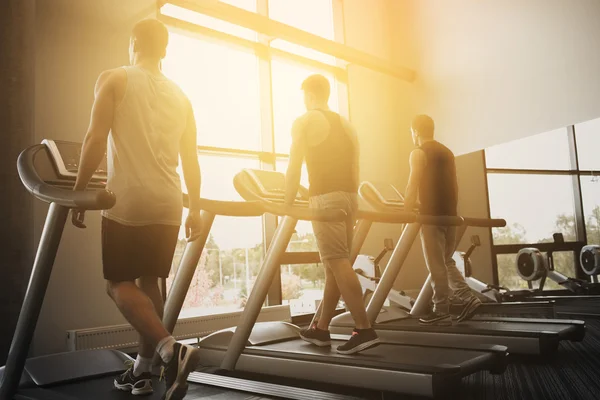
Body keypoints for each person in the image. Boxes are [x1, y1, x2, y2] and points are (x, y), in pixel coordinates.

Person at [72, 19, 202, 400]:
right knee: (150, 282)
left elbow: (95, 139)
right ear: (164, 50)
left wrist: (79, 192)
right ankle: (143, 371)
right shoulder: (182, 96)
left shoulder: (114, 78)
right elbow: (190, 159)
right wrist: (193, 207)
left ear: (132, 44)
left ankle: (168, 348)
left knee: (117, 285)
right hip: (169, 202)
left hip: (128, 199)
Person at [284, 74, 380, 355]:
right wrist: (352, 201)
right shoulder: (347, 124)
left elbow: (294, 165)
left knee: (338, 262)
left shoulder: (304, 120)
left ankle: (364, 329)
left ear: (308, 94)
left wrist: (287, 205)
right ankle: (321, 328)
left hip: (325, 198)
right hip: (349, 196)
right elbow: (355, 168)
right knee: (333, 267)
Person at [404, 114, 481, 325]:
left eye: (411, 131)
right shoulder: (447, 152)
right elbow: (453, 185)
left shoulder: (418, 153)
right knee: (446, 261)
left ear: (416, 131)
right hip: (450, 215)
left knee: (436, 264)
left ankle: (441, 309)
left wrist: (406, 209)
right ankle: (466, 297)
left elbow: (413, 184)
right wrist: (453, 213)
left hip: (431, 216)